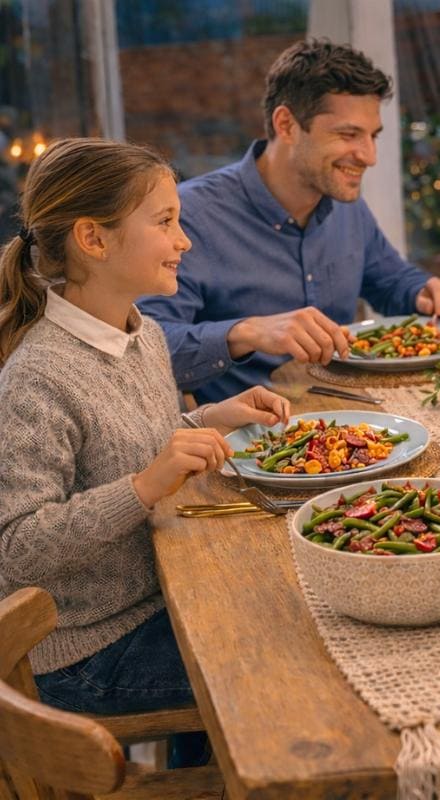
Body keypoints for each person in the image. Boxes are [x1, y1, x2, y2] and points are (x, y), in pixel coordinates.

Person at [0, 138, 291, 763]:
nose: (184, 241)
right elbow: (17, 546)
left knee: (291, 594)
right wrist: (143, 488)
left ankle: (208, 766)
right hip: (85, 650)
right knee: (284, 658)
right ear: (93, 239)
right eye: (165, 222)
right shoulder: (36, 379)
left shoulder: (142, 331)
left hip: (162, 590)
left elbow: (129, 437)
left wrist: (213, 416)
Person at [138, 39, 440, 404]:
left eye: (372, 136)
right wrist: (246, 332)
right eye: (348, 134)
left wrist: (423, 291)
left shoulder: (343, 202)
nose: (369, 156)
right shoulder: (190, 217)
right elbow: (145, 346)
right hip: (251, 441)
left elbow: (389, 280)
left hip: (353, 416)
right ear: (287, 125)